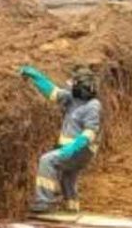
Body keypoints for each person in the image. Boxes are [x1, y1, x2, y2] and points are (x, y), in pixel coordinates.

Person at [19, 65, 102, 213]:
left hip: (81, 150)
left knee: (47, 160)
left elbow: (90, 132)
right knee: (67, 178)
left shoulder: (93, 106)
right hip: (75, 149)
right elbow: (53, 92)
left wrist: (72, 148)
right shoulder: (72, 98)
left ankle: (44, 202)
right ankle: (71, 208)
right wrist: (36, 77)